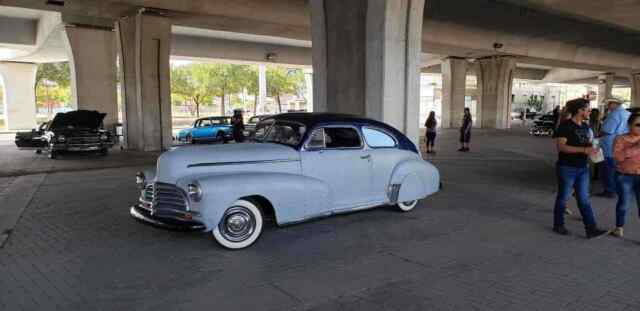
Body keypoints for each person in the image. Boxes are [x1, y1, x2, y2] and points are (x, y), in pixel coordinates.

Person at [552, 98, 608, 238]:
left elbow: (589, 144)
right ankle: (558, 225)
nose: (590, 111)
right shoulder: (565, 126)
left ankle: (591, 229)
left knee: (584, 199)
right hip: (567, 168)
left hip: (583, 168)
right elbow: (561, 147)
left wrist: (595, 146)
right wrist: (584, 150)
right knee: (563, 198)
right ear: (580, 110)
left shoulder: (585, 127)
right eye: (587, 109)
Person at [611, 113, 640, 238]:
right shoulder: (620, 139)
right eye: (638, 124)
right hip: (624, 176)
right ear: (629, 125)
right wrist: (636, 149)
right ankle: (619, 227)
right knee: (623, 203)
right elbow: (618, 157)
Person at [597, 98, 630, 198]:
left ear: (614, 104)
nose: (608, 106)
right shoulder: (627, 114)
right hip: (622, 144)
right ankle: (619, 189)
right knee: (618, 169)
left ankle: (609, 190)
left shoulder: (614, 114)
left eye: (609, 104)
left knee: (608, 168)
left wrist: (598, 134)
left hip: (610, 145)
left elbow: (607, 130)